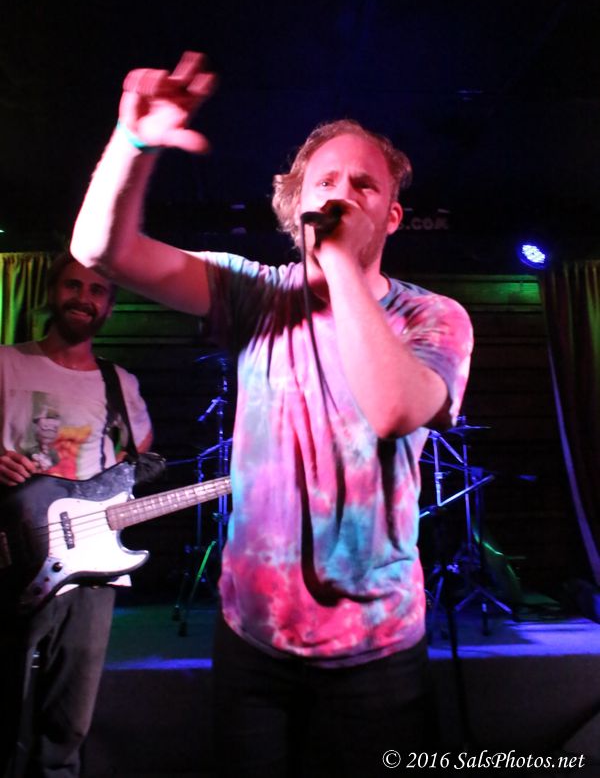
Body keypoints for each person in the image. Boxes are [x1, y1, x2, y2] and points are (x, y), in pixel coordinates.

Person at [71, 52, 473, 777]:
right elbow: (100, 249)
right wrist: (132, 143)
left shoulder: (431, 316)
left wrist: (341, 263)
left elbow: (394, 408)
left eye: (364, 185)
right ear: (295, 207)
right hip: (253, 641)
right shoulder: (255, 292)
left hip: (376, 650)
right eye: (325, 182)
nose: (343, 194)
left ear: (392, 214)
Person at [0, 252, 152, 778]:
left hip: (89, 570)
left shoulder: (120, 383)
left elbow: (137, 456)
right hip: (11, 557)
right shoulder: (7, 362)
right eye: (72, 285)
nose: (83, 299)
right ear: (51, 292)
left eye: (96, 290)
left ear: (109, 306)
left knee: (67, 725)